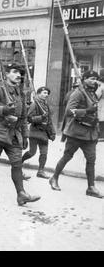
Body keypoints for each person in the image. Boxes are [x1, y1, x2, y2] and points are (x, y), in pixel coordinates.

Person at [0, 63, 41, 206]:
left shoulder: (21, 92)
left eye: (20, 73)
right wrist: (4, 111)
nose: (18, 75)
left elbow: (24, 116)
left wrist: (25, 135)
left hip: (15, 134)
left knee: (17, 164)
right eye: (14, 72)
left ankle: (21, 194)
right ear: (7, 74)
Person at [50, 70, 103, 198]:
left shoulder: (93, 93)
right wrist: (86, 110)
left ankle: (91, 187)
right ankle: (54, 177)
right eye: (90, 78)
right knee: (67, 156)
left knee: (91, 160)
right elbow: (69, 111)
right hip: (76, 133)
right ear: (84, 79)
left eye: (95, 79)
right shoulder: (78, 93)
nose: (93, 81)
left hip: (90, 133)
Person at [21, 87, 56, 179]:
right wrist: (41, 117)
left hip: (44, 133)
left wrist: (52, 132)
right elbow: (29, 118)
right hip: (35, 132)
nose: (46, 95)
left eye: (47, 93)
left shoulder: (46, 105)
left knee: (44, 153)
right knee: (32, 152)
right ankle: (19, 162)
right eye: (44, 93)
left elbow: (49, 120)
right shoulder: (34, 104)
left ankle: (40, 171)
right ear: (39, 93)